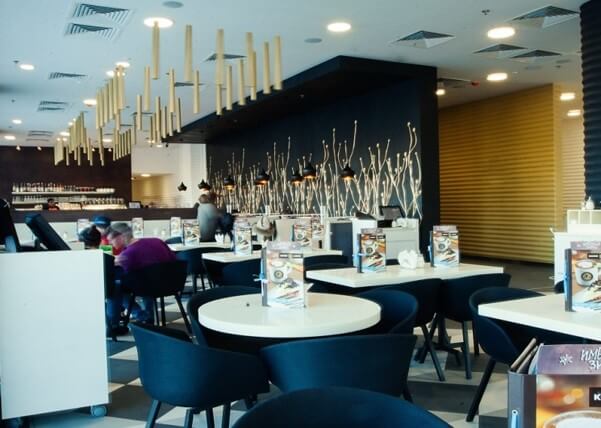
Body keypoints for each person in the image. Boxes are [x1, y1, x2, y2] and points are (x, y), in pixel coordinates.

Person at [106, 223, 176, 333]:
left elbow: (127, 276)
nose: (110, 243)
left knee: (115, 287)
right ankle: (147, 317)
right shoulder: (157, 241)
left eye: (111, 240)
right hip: (172, 283)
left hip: (148, 286)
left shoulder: (128, 254)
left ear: (121, 236)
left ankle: (137, 317)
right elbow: (173, 259)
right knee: (145, 278)